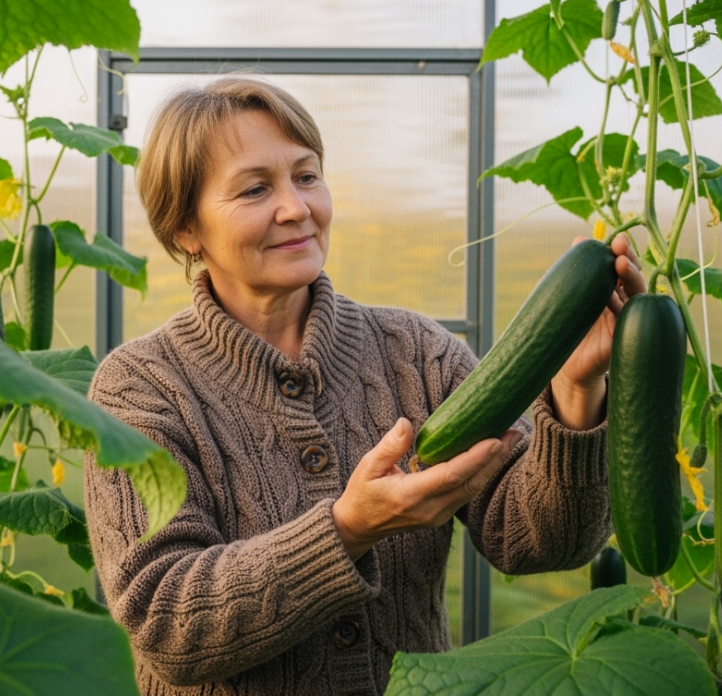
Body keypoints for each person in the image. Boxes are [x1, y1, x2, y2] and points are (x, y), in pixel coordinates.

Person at [83, 76, 646, 696]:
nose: (297, 207)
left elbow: (540, 541)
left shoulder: (417, 351)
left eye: (307, 176)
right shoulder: (138, 389)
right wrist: (348, 529)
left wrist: (574, 390)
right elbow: (165, 624)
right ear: (186, 228)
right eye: (254, 188)